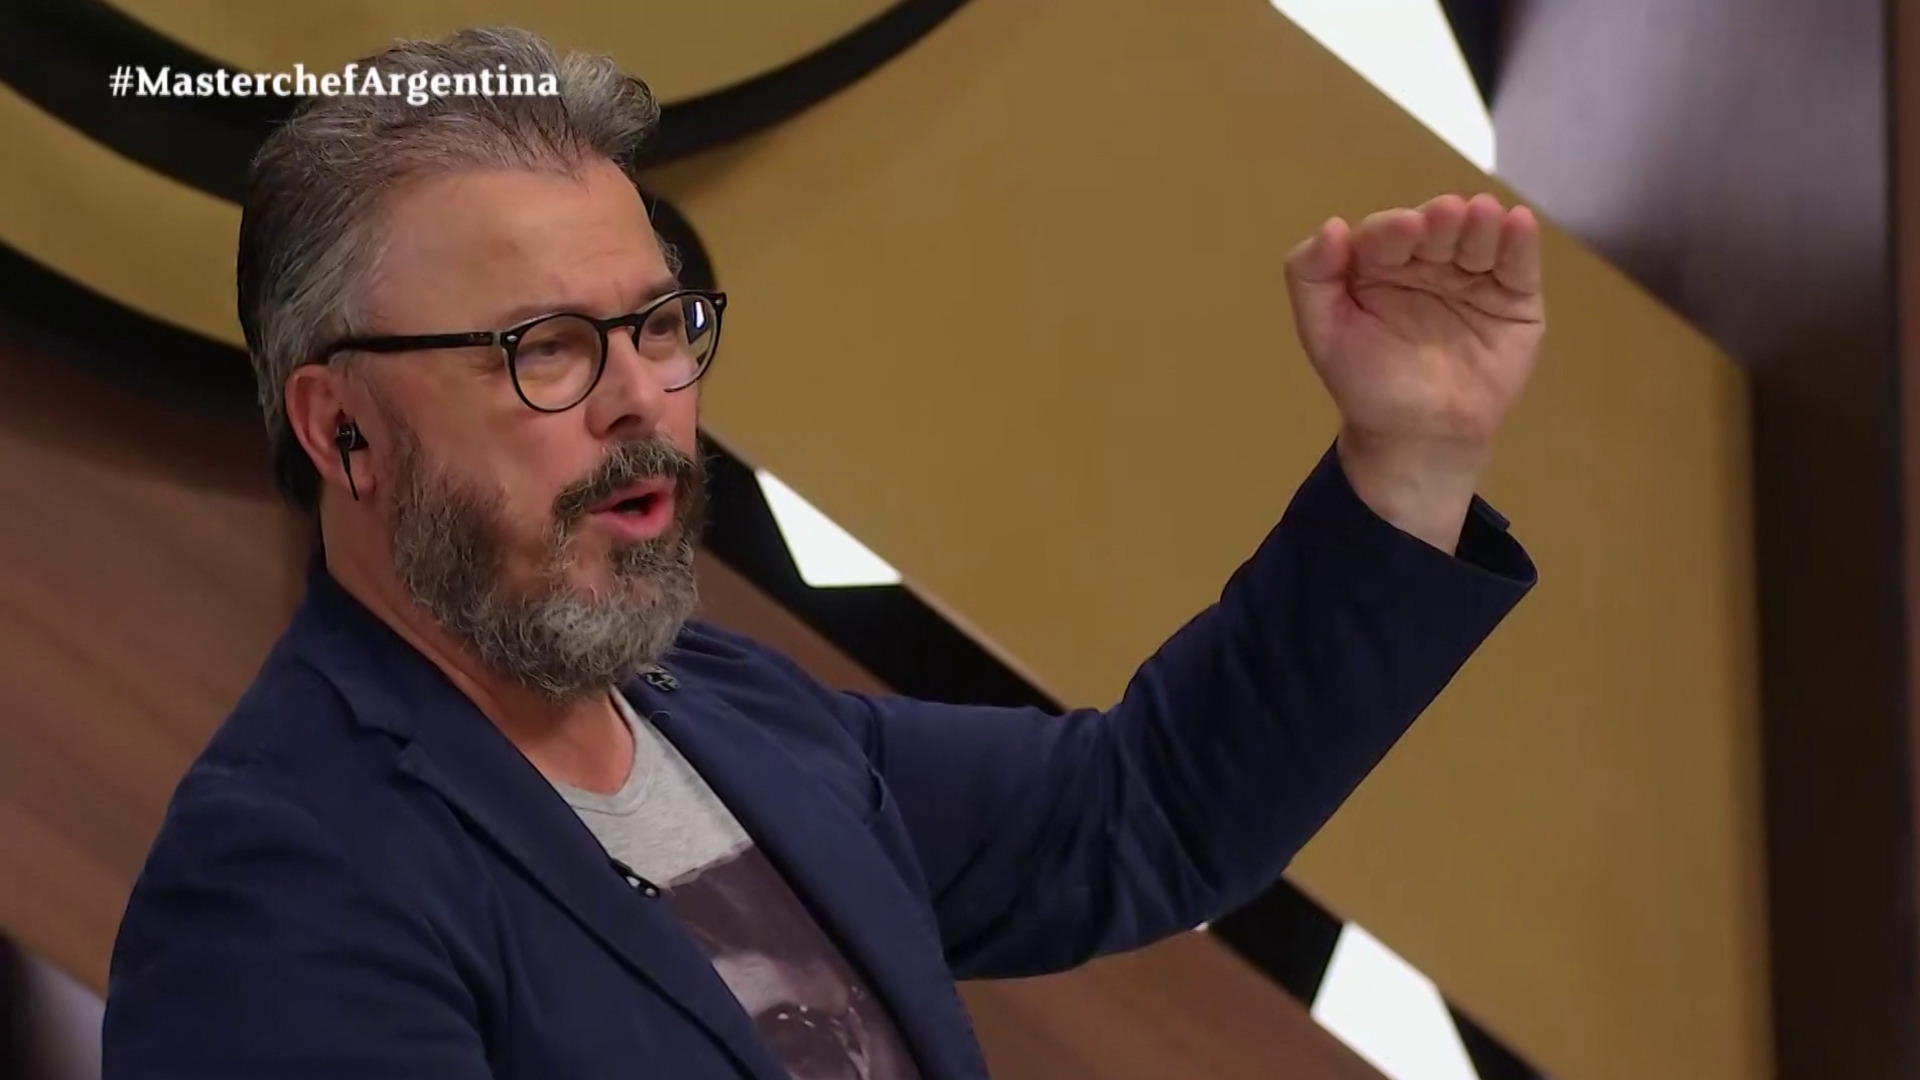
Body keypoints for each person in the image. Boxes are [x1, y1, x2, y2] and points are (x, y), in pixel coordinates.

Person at [100, 26, 1541, 1080]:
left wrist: (1407, 461)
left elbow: (1141, 812)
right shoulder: (284, 877)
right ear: (344, 431)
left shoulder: (733, 711)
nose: (639, 400)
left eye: (657, 326)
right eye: (546, 348)